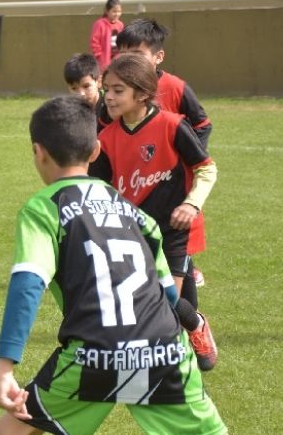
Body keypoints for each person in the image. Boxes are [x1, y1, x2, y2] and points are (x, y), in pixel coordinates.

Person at [0, 95, 227, 435]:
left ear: (38, 151)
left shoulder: (43, 209)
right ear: (95, 151)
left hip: (93, 355)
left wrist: (5, 366)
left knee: (10, 431)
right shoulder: (134, 212)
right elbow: (168, 294)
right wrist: (192, 321)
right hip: (163, 351)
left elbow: (28, 284)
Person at [89, 53, 219, 371]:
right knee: (142, 300)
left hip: (171, 229)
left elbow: (206, 168)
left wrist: (191, 203)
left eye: (118, 90)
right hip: (131, 231)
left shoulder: (173, 126)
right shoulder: (105, 139)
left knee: (166, 300)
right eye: (106, 89)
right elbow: (99, 188)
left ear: (143, 94)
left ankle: (193, 331)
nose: (109, 96)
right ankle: (184, 333)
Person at [114, 17, 212, 313]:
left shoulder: (176, 88)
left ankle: (185, 321)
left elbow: (202, 125)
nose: (129, 62)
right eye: (123, 55)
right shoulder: (116, 93)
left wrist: (185, 160)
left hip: (170, 188)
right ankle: (190, 319)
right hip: (132, 188)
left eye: (137, 55)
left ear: (158, 57)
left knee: (174, 246)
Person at [63, 53, 106, 133]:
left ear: (99, 82)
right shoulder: (69, 112)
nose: (81, 94)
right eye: (74, 88)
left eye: (86, 86)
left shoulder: (108, 107)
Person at [89, 0, 124, 73]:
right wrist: (99, 56)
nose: (117, 14)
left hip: (117, 59)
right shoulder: (100, 24)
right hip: (104, 60)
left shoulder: (120, 25)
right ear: (107, 11)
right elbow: (94, 41)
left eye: (119, 11)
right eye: (114, 11)